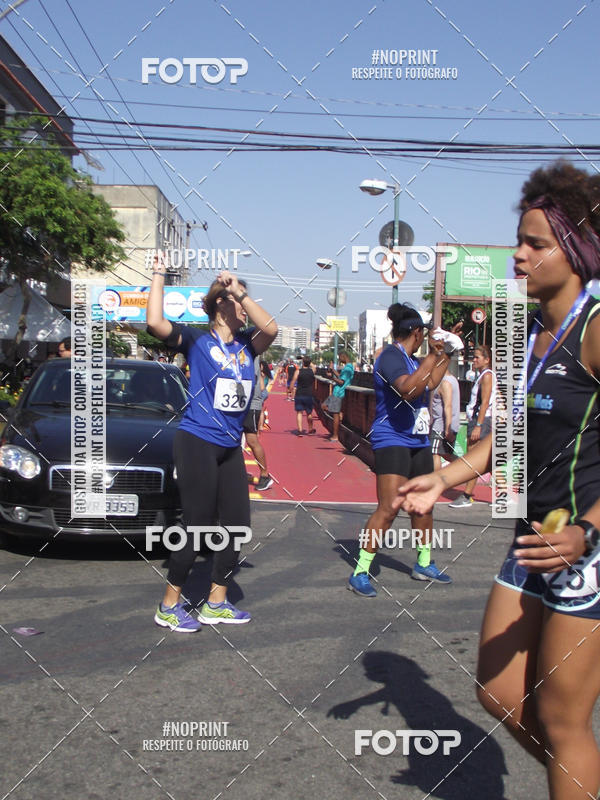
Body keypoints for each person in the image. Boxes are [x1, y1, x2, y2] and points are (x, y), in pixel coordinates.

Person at [397, 161, 600, 800]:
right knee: (498, 690)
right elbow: (507, 439)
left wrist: (588, 532)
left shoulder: (596, 330)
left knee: (563, 722)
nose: (518, 255)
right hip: (531, 535)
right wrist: (442, 478)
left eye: (535, 244)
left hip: (585, 549)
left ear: (577, 249)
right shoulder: (526, 333)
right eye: (519, 241)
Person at [147, 266, 277, 631]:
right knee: (197, 525)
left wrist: (241, 293)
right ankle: (169, 605)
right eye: (238, 303)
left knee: (237, 526)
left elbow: (271, 329)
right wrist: (158, 274)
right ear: (221, 305)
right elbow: (155, 321)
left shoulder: (248, 345)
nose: (245, 310)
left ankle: (216, 603)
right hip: (197, 441)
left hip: (230, 446)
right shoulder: (196, 341)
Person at [348, 305, 463, 597]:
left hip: (417, 440)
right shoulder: (390, 357)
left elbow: (431, 382)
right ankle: (360, 570)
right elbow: (408, 390)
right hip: (392, 439)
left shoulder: (413, 360)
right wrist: (433, 355)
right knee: (389, 508)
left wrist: (447, 353)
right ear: (417, 332)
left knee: (423, 505)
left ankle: (424, 563)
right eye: (424, 332)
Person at [449, 344, 496, 508]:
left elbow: (485, 402)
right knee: (484, 458)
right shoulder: (483, 375)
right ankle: (504, 494)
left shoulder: (487, 376)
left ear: (487, 360)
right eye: (473, 357)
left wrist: (478, 425)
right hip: (478, 420)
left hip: (480, 420)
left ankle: (467, 495)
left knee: (473, 459)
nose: (474, 360)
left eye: (477, 357)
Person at [243, 356, 274, 491]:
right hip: (240, 404)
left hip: (250, 404)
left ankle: (264, 475)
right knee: (233, 439)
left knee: (252, 440)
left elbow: (251, 378)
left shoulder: (250, 356)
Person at [429, 369, 460, 471]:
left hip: (441, 427)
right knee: (446, 454)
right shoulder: (452, 380)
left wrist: (448, 428)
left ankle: (436, 479)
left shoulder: (445, 382)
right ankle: (468, 467)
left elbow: (448, 406)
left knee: (435, 454)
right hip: (446, 426)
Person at [324, 351, 354, 442]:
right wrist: (333, 370)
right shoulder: (347, 367)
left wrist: (331, 378)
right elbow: (341, 377)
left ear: (343, 356)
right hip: (336, 392)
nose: (339, 360)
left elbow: (341, 382)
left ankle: (335, 435)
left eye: (340, 358)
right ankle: (339, 418)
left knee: (335, 414)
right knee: (324, 406)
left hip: (339, 393)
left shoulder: (348, 368)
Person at [289, 355, 317, 436]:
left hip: (299, 394)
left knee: (299, 412)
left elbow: (293, 382)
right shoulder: (312, 371)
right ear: (309, 363)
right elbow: (314, 366)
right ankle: (310, 429)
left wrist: (290, 390)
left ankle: (300, 430)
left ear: (302, 362)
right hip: (309, 394)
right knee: (309, 413)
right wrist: (304, 358)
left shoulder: (298, 371)